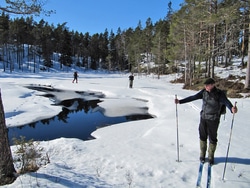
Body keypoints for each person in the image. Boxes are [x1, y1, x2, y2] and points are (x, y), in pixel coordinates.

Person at [175, 78, 238, 165]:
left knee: (212, 138)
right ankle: (202, 155)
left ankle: (211, 156)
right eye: (205, 85)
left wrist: (232, 109)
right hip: (203, 118)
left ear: (213, 85)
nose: (206, 87)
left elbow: (226, 102)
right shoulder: (204, 92)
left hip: (213, 119)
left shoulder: (219, 94)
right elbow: (193, 97)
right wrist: (180, 101)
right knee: (202, 136)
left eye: (207, 85)